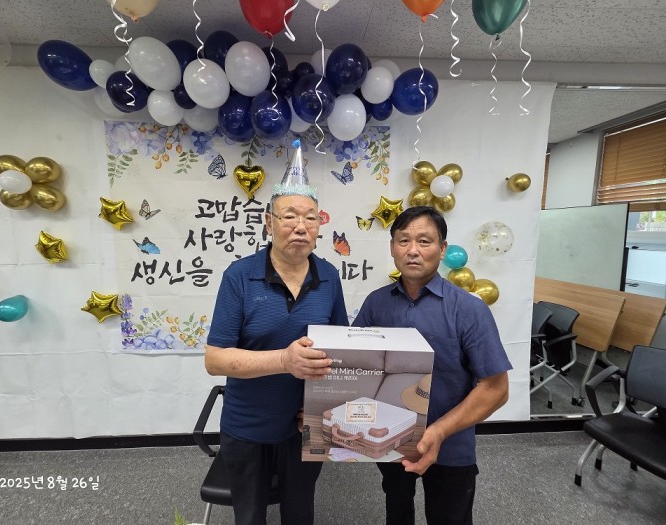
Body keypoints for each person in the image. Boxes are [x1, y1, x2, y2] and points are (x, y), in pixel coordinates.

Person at [205, 140, 349, 525]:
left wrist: (322, 407)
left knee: (300, 513)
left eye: (310, 217)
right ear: (269, 223)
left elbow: (342, 352)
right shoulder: (239, 276)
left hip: (305, 425)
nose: (300, 226)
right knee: (250, 516)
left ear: (319, 225)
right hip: (247, 427)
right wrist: (285, 360)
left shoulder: (329, 276)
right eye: (289, 216)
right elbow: (215, 359)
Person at [352, 206, 512, 525]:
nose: (412, 250)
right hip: (390, 440)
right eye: (403, 240)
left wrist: (439, 432)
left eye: (424, 241)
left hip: (451, 445)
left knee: (449, 517)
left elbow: (496, 389)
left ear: (442, 249)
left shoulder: (469, 310)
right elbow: (355, 365)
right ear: (392, 248)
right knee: (397, 510)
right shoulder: (376, 303)